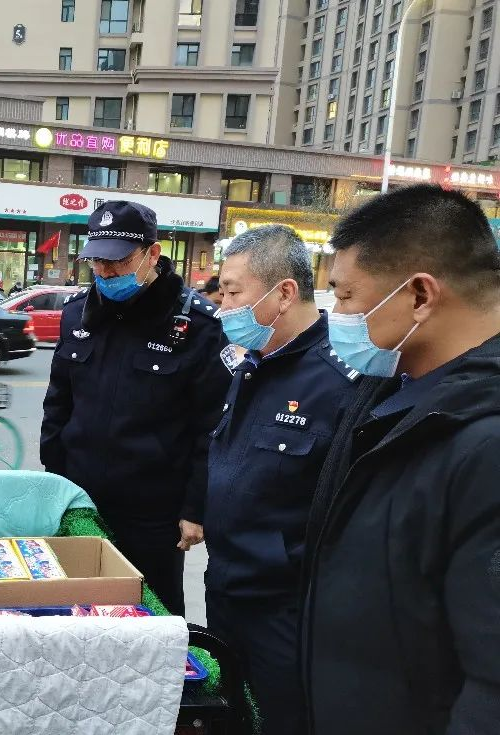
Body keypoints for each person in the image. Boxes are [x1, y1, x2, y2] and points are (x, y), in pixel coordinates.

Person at [303, 184, 500, 734]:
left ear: (419, 295)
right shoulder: (390, 387)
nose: (337, 315)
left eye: (346, 296)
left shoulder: (484, 443)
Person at [203, 226, 359, 734]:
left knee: (282, 720)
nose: (223, 308)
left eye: (233, 293)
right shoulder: (252, 362)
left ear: (284, 293)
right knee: (229, 714)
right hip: (226, 587)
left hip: (284, 608)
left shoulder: (341, 379)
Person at [41, 201, 231, 615]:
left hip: (153, 512)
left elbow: (211, 427)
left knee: (153, 616)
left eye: (118, 261)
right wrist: (54, 483)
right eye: (97, 262)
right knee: (78, 611)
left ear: (152, 254)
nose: (106, 272)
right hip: (81, 500)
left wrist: (195, 508)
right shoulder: (78, 314)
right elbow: (58, 404)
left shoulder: (198, 327)